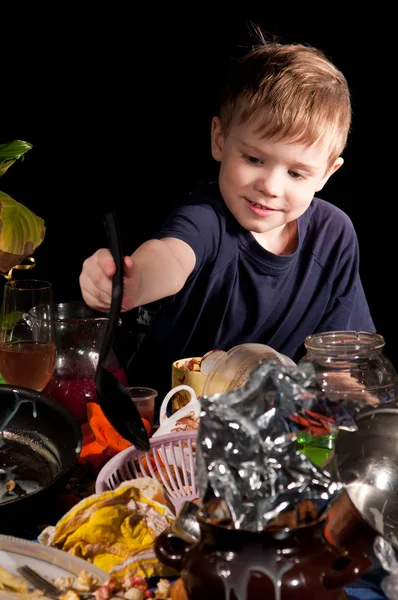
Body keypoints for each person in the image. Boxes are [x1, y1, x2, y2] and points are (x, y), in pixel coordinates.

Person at [79, 35, 375, 405]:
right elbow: (172, 256)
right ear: (219, 139)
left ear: (327, 174)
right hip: (169, 427)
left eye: (296, 174)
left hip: (263, 432)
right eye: (253, 159)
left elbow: (341, 357)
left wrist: (363, 408)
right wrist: (134, 281)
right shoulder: (206, 217)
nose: (269, 186)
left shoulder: (335, 236)